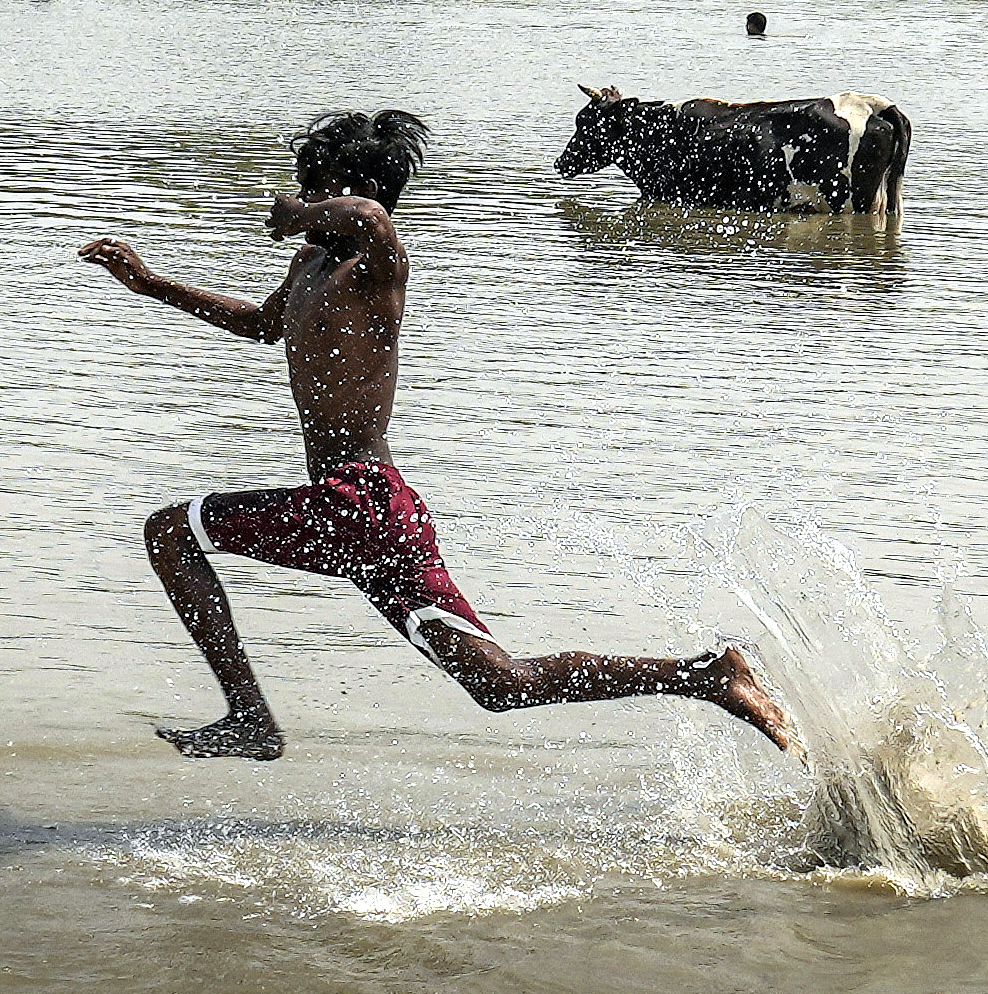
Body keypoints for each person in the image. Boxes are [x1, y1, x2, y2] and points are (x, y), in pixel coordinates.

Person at [78, 110, 796, 761]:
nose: (299, 191)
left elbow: (371, 216)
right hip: (379, 515)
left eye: (313, 182)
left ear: (351, 189)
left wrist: (303, 212)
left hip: (355, 501)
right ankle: (706, 674)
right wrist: (150, 284)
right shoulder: (310, 265)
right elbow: (258, 324)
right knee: (500, 683)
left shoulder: (376, 263)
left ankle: (250, 717)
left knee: (170, 530)